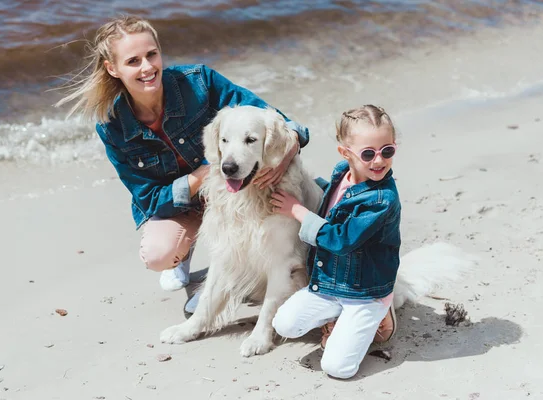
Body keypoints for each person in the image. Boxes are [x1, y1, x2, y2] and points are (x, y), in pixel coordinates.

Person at [55, 16, 308, 311]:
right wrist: (203, 175)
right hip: (189, 201)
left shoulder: (200, 81)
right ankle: (188, 254)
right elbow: (149, 200)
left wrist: (284, 157)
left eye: (152, 55)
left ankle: (234, 279)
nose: (148, 67)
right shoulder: (112, 126)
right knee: (158, 254)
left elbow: (281, 123)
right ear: (113, 69)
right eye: (133, 61)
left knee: (291, 208)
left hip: (233, 193)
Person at [270, 105, 400, 379]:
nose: (379, 161)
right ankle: (339, 318)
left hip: (364, 291)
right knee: (284, 324)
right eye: (368, 153)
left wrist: (297, 210)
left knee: (337, 368)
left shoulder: (381, 200)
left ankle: (381, 310)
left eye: (387, 150)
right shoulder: (342, 172)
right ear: (346, 153)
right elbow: (331, 200)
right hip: (330, 282)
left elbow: (340, 240)